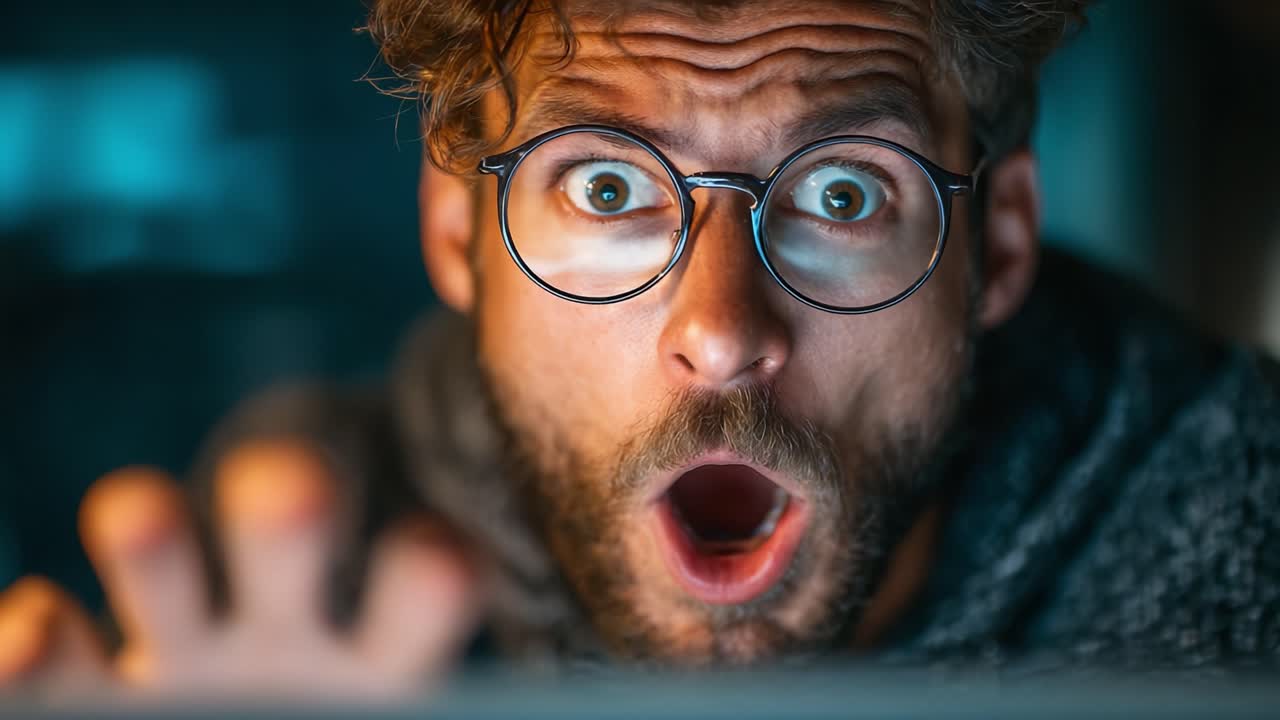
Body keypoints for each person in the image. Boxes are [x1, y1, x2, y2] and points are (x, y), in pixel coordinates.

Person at [2, 0, 1278, 699]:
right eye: (607, 191)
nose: (721, 333)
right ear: (458, 234)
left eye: (842, 195)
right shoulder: (298, 588)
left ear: (996, 249)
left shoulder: (1244, 553)